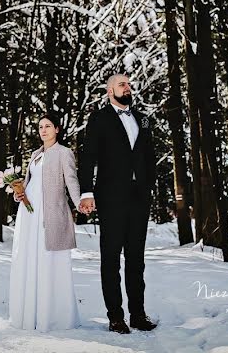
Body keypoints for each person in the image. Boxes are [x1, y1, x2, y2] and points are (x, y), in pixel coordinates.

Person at [77, 73, 158, 334]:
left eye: (129, 84)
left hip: (139, 197)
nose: (128, 87)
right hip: (110, 196)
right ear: (110, 90)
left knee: (136, 258)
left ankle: (138, 314)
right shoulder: (99, 118)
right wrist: (86, 192)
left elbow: (149, 156)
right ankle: (115, 317)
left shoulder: (142, 119)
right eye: (122, 84)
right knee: (110, 258)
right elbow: (88, 156)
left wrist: (149, 187)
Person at [8, 113, 82, 331]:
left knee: (49, 260)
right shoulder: (35, 154)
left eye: (48, 126)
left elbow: (71, 180)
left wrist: (80, 203)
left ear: (57, 129)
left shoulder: (64, 153)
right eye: (40, 126)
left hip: (50, 213)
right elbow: (30, 182)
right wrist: (18, 194)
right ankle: (29, 313)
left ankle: (53, 316)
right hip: (29, 213)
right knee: (29, 257)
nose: (43, 130)